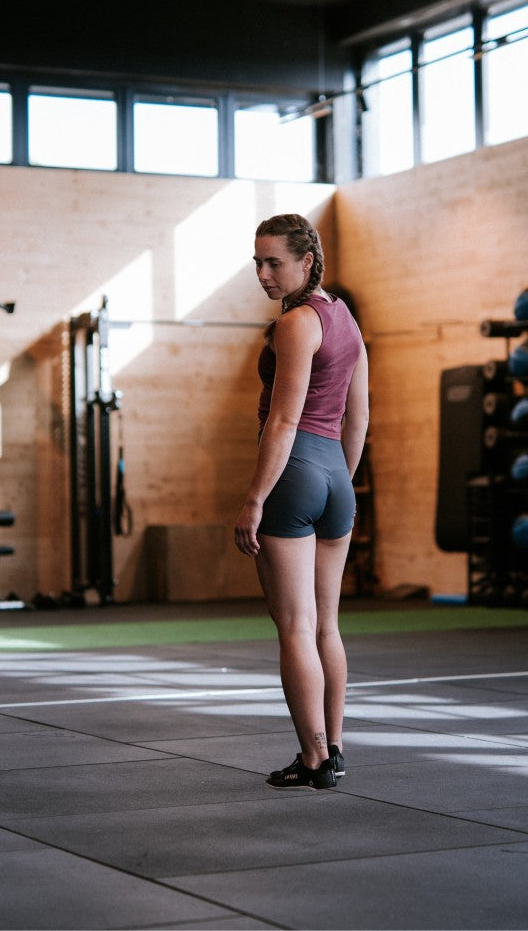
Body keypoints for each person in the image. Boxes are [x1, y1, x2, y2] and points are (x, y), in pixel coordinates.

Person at [234, 213, 368, 790]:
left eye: (274, 263)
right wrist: (340, 479)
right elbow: (357, 418)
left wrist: (255, 500)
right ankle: (333, 747)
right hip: (336, 475)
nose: (263, 274)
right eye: (257, 262)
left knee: (294, 625)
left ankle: (313, 758)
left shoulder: (296, 325)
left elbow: (285, 420)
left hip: (294, 474)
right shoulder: (346, 319)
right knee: (326, 626)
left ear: (306, 262)